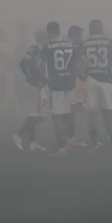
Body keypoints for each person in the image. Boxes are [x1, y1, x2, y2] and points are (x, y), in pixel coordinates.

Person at [81, 20, 112, 151]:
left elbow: (75, 59)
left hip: (91, 79)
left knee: (92, 113)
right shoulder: (109, 42)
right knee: (109, 111)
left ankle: (94, 143)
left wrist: (82, 74)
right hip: (106, 80)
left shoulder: (84, 43)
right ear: (101, 29)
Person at [39, 22, 80, 156]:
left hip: (55, 84)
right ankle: (68, 139)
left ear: (48, 32)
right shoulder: (69, 44)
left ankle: (61, 147)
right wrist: (74, 76)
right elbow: (77, 63)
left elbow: (38, 64)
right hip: (69, 83)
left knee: (56, 114)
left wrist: (44, 79)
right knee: (68, 112)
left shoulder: (47, 46)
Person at [13, 30, 50, 152]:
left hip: (30, 84)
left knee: (33, 115)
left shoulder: (31, 48)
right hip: (36, 85)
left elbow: (21, 63)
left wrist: (28, 76)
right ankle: (18, 135)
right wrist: (42, 79)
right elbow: (37, 65)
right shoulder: (40, 49)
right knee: (40, 116)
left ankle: (32, 142)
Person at [65, 25, 88, 148]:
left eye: (81, 35)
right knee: (73, 110)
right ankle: (70, 138)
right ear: (71, 36)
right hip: (72, 82)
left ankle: (75, 137)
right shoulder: (69, 49)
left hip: (81, 82)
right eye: (78, 35)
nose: (80, 38)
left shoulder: (81, 48)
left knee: (80, 109)